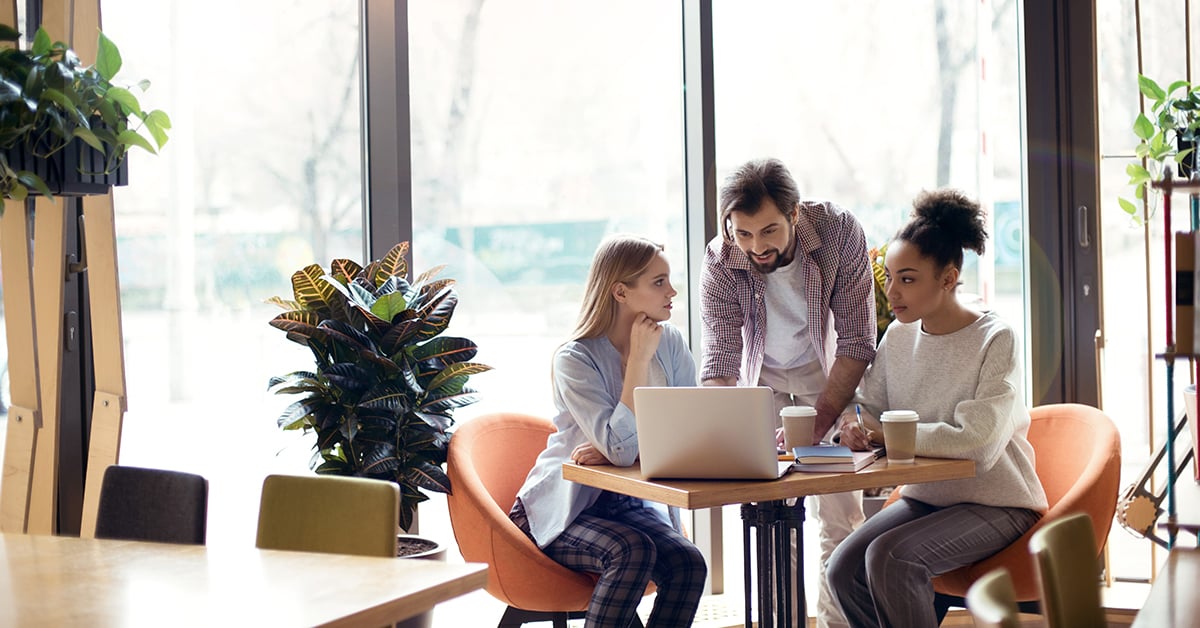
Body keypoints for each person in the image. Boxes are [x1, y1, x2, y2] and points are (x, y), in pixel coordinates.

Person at [826, 189, 1048, 628]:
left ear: (948, 279)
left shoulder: (995, 338)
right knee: (843, 568)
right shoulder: (898, 337)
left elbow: (978, 444)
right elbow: (867, 407)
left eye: (907, 279)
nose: (892, 292)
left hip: (998, 503)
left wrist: (885, 434)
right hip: (928, 498)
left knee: (892, 559)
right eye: (889, 277)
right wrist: (851, 426)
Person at [700, 157, 876, 628]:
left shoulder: (839, 232)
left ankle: (840, 624)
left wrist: (824, 420)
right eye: (743, 233)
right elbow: (719, 360)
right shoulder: (721, 259)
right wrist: (728, 430)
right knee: (772, 514)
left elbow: (859, 339)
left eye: (769, 231)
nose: (756, 246)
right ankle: (784, 622)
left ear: (795, 214)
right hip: (763, 385)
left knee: (840, 515)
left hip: (830, 375)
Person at [510, 234, 707, 628]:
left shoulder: (671, 343)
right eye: (658, 282)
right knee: (631, 552)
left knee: (688, 562)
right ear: (621, 291)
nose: (673, 291)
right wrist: (637, 360)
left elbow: (692, 430)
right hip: (562, 510)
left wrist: (627, 450)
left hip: (628, 504)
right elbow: (621, 449)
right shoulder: (575, 358)